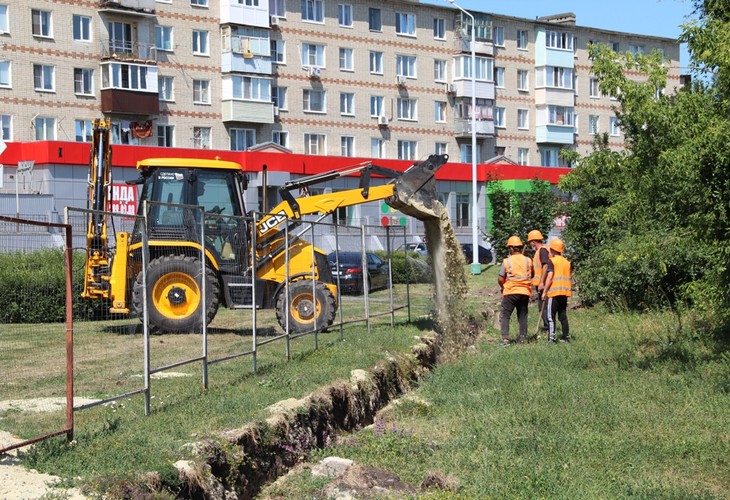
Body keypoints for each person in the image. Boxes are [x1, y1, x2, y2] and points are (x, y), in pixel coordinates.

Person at [497, 236, 533, 346]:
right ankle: (522, 339)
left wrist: (503, 286)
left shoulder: (507, 261)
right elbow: (531, 275)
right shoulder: (528, 260)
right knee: (522, 315)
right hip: (524, 292)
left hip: (511, 292)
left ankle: (505, 339)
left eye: (509, 248)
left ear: (512, 248)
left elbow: (500, 278)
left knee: (505, 315)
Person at [542, 238, 572, 343]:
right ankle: (566, 337)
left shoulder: (552, 261)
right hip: (564, 293)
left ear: (553, 249)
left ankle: (551, 338)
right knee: (563, 316)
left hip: (553, 293)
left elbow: (550, 277)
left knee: (550, 316)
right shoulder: (567, 262)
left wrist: (545, 291)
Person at [528, 229, 550, 335]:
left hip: (543, 284)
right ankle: (547, 327)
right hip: (539, 284)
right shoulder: (539, 251)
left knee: (544, 308)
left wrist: (542, 282)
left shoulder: (542, 250)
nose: (530, 244)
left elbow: (545, 265)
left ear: (533, 241)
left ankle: (548, 328)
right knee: (542, 307)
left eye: (530, 242)